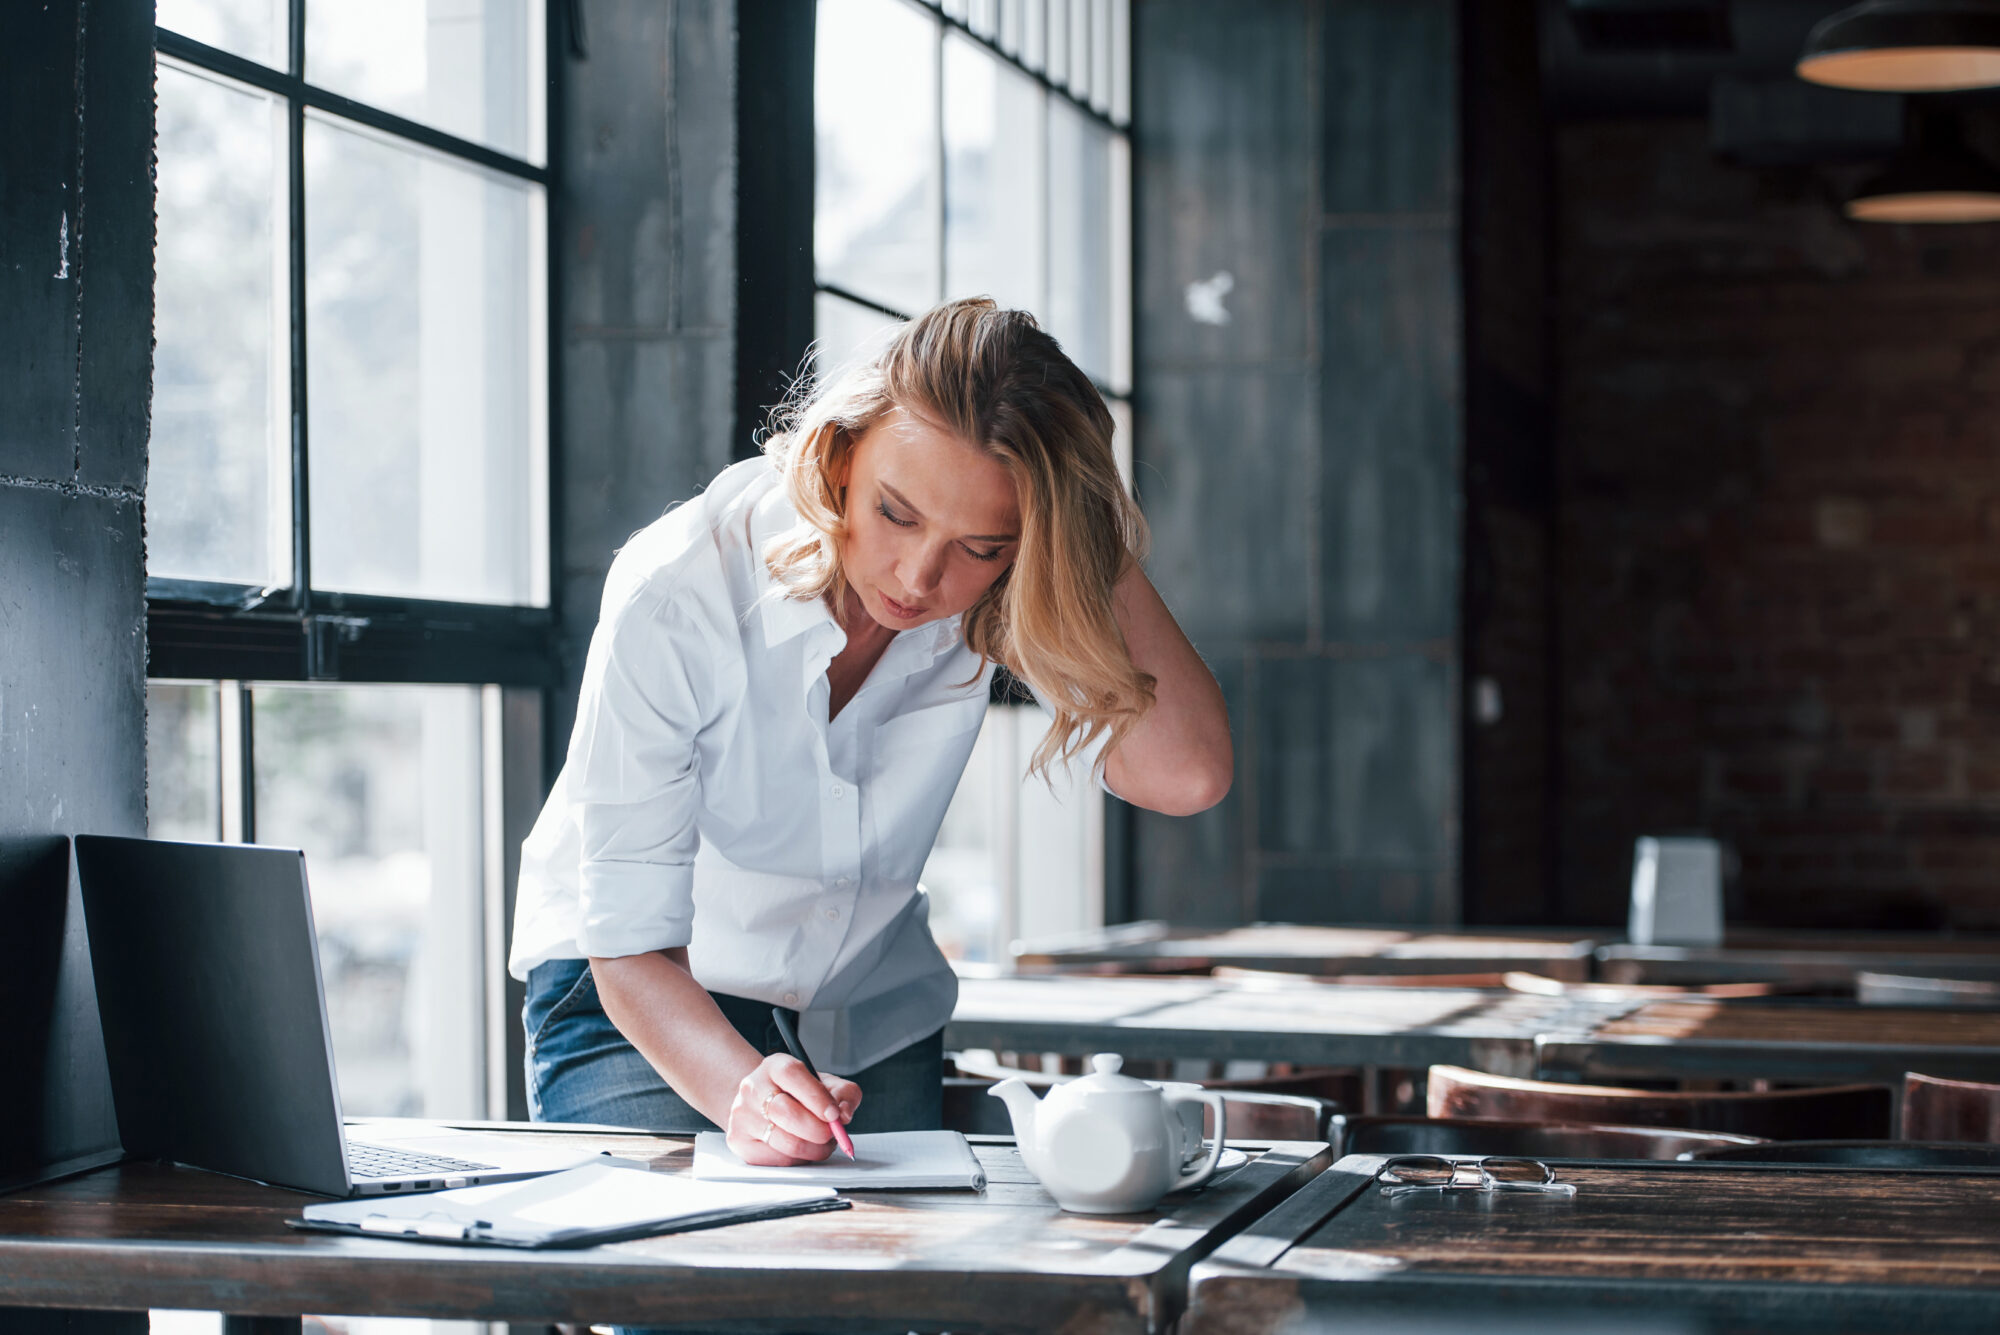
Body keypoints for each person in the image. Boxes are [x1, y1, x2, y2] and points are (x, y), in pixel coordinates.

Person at [510, 297, 1231, 1166]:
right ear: (841, 453)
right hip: (644, 997)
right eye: (897, 513)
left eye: (982, 545)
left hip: (866, 1012)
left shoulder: (995, 594)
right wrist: (745, 1093)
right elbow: (628, 942)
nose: (921, 577)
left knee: (881, 1294)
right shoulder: (680, 591)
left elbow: (1186, 772)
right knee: (694, 1293)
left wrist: (1077, 535)